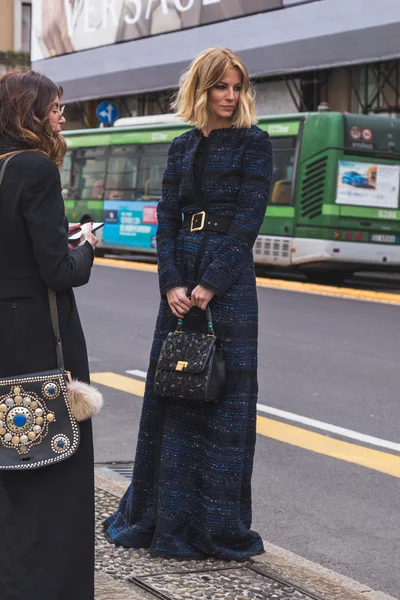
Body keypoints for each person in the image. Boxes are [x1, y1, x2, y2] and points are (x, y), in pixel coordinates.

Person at [104, 48, 272, 560]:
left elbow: (249, 218)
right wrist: (172, 283)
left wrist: (212, 282)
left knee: (224, 402)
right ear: (200, 89)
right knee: (174, 393)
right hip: (179, 285)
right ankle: (164, 516)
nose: (230, 96)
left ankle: (216, 525)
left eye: (237, 87)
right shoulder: (179, 146)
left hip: (229, 283)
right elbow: (167, 216)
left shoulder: (254, 143)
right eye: (220, 86)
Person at [0, 69, 98, 600]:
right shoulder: (35, 168)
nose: (62, 116)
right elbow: (59, 273)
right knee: (52, 464)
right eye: (56, 108)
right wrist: (85, 247)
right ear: (31, 113)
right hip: (38, 336)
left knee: (9, 466)